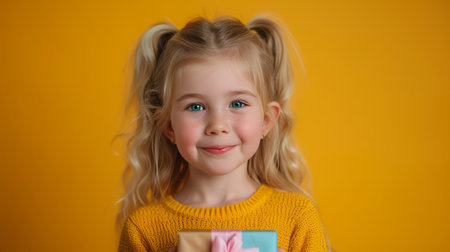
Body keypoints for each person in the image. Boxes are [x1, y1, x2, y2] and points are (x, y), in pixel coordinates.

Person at [115, 14, 331, 252]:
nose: (217, 125)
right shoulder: (144, 229)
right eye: (195, 106)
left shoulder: (297, 217)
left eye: (237, 104)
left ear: (267, 120)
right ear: (168, 126)